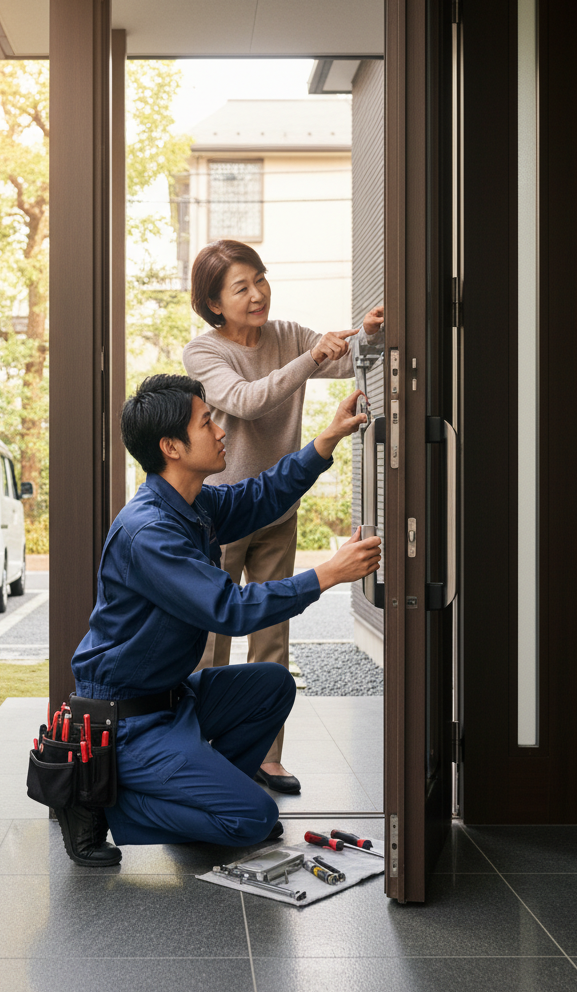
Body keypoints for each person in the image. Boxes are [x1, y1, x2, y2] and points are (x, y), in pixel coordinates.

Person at [61, 374, 381, 866]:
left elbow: (260, 497)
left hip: (173, 700)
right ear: (171, 446)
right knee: (253, 821)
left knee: (272, 685)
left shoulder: (193, 504)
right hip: (127, 723)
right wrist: (328, 574)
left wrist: (327, 438)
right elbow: (230, 610)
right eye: (206, 422)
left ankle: (200, 797)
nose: (220, 431)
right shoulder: (149, 532)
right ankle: (99, 801)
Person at [182, 239, 384, 795]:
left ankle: (267, 756)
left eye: (260, 279)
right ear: (215, 302)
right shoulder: (203, 354)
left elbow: (343, 361)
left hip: (277, 509)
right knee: (211, 637)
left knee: (273, 632)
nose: (257, 294)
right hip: (221, 511)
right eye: (241, 287)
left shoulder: (288, 335)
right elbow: (248, 399)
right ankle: (203, 749)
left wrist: (366, 333)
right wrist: (313, 356)